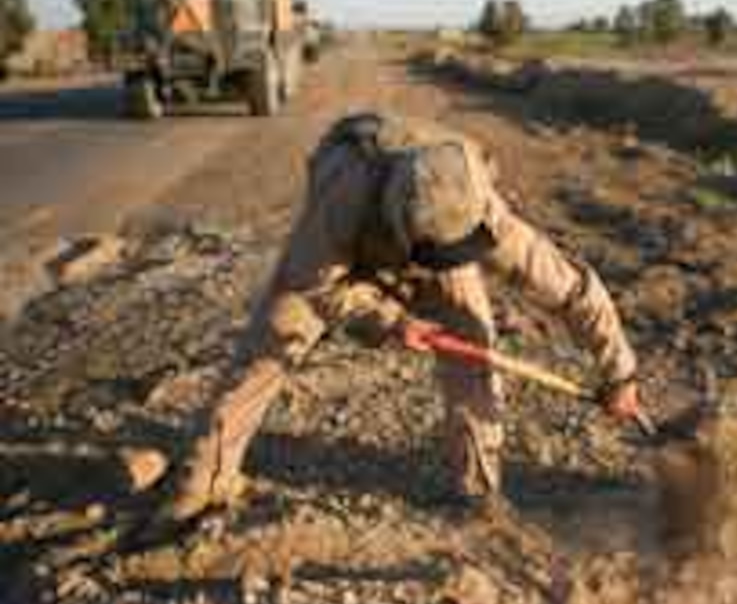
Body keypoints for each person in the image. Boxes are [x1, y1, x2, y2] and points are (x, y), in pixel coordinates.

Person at [160, 112, 642, 523]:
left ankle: (478, 492)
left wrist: (620, 372)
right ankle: (203, 484)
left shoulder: (479, 208)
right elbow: (317, 283)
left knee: (473, 343)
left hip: (425, 237)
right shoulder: (342, 196)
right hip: (345, 257)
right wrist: (389, 319)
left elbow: (573, 289)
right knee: (268, 348)